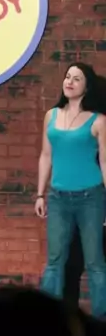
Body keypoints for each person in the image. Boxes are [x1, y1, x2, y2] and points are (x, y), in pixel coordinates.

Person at [35, 62, 106, 317]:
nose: (70, 82)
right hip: (58, 198)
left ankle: (101, 320)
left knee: (95, 262)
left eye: (77, 78)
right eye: (67, 77)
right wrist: (40, 194)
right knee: (55, 261)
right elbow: (46, 155)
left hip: (91, 197)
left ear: (87, 87)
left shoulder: (99, 120)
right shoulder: (51, 116)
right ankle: (48, 319)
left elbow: (105, 161)